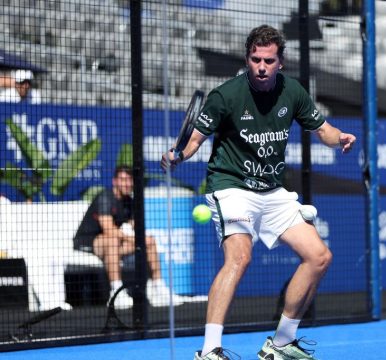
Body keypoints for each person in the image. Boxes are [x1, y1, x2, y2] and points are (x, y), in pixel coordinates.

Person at [161, 25, 356, 360]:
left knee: (319, 257)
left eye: (268, 60)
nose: (262, 66)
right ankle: (209, 351)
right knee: (239, 257)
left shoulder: (292, 91)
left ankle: (280, 344)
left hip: (272, 190)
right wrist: (178, 155)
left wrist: (340, 138)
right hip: (232, 186)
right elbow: (194, 140)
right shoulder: (225, 95)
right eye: (255, 59)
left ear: (280, 62)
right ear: (247, 59)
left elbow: (322, 129)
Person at [74, 165, 185, 309]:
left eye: (129, 180)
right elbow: (109, 230)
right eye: (122, 180)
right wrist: (137, 240)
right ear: (115, 181)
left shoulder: (129, 201)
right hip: (87, 242)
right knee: (113, 240)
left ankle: (159, 288)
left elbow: (136, 228)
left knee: (150, 241)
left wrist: (143, 239)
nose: (126, 183)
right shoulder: (105, 197)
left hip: (112, 246)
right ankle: (116, 293)